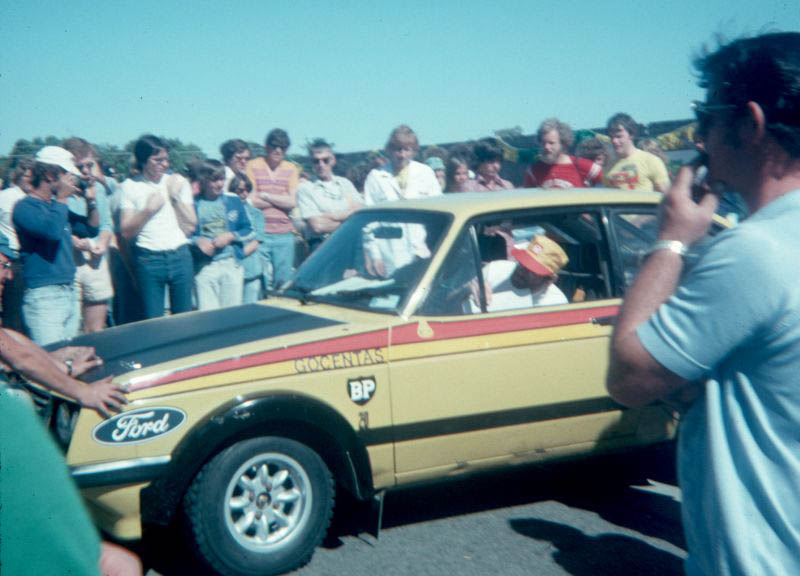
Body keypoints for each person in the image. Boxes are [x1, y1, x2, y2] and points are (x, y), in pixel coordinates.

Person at [606, 32, 800, 576]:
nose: (700, 137)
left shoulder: (753, 252)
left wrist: (671, 239)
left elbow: (630, 376)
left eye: (706, 116)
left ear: (752, 124)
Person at [119, 134, 196, 319]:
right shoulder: (129, 186)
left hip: (180, 256)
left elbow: (191, 225)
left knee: (184, 318)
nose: (165, 164)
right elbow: (126, 231)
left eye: (166, 159)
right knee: (153, 319)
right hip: (149, 259)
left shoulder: (177, 182)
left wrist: (174, 197)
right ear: (143, 160)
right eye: (158, 160)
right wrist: (148, 210)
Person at [12, 146, 83, 345]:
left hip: (68, 289)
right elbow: (50, 232)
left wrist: (92, 201)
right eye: (67, 176)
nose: (72, 182)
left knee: (71, 358)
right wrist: (62, 198)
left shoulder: (56, 208)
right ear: (51, 175)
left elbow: (91, 229)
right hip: (44, 296)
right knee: (53, 361)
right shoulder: (24, 207)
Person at [363, 124, 442, 277]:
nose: (402, 154)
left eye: (407, 149)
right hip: (389, 252)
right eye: (397, 149)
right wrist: (374, 255)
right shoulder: (376, 177)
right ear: (389, 150)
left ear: (414, 151)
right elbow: (369, 223)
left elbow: (439, 213)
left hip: (423, 249)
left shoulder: (425, 173)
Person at [63, 137, 115, 333]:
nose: (86, 171)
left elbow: (106, 225)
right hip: (71, 263)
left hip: (95, 259)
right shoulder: (60, 193)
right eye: (80, 167)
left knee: (96, 329)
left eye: (89, 165)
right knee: (71, 328)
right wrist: (74, 242)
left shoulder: (98, 189)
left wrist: (101, 243)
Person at [191, 159, 254, 310]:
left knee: (231, 314)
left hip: (230, 263)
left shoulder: (233, 201)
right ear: (203, 180)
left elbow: (249, 230)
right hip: (205, 266)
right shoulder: (193, 203)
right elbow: (181, 233)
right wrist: (196, 240)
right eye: (214, 180)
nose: (219, 184)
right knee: (207, 315)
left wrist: (231, 236)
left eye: (222, 179)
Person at [245, 128, 300, 291]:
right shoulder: (253, 166)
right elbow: (251, 201)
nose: (278, 150)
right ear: (266, 146)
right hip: (260, 233)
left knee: (282, 283)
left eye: (282, 147)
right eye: (274, 146)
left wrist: (266, 195)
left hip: (284, 234)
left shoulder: (291, 169)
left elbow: (292, 202)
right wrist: (280, 198)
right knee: (259, 281)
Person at [469, 234, 568, 313]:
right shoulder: (494, 269)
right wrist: (470, 288)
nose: (522, 271)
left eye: (532, 270)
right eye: (522, 263)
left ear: (550, 280)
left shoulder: (556, 305)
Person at [297, 138, 363, 254]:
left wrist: (332, 216)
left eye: (325, 160)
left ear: (333, 160)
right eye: (316, 161)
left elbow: (360, 211)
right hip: (321, 247)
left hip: (349, 243)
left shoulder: (345, 184)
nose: (321, 165)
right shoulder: (305, 189)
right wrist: (349, 220)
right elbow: (317, 226)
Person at [0, 156, 33, 331]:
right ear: (19, 176)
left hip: (27, 257)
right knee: (13, 309)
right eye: (26, 176)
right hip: (11, 257)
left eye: (33, 176)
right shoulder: (5, 196)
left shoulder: (34, 200)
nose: (29, 180)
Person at [524, 118, 603, 188]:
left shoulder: (583, 166)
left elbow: (610, 183)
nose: (546, 147)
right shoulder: (533, 171)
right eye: (543, 143)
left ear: (563, 144)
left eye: (551, 143)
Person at [604, 113, 671, 192]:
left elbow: (666, 195)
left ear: (631, 135)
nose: (614, 141)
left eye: (619, 136)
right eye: (611, 137)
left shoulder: (651, 161)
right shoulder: (608, 166)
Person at [229, 173, 266, 303]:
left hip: (251, 269)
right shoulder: (225, 213)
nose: (244, 193)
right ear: (232, 191)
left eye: (247, 190)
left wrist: (236, 255)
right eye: (240, 190)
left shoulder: (257, 214)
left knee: (250, 308)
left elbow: (257, 241)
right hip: (230, 270)